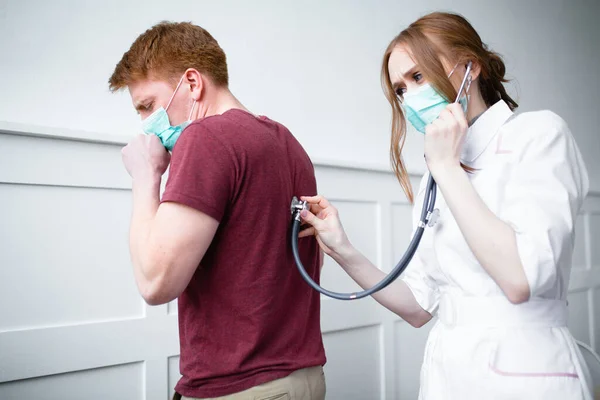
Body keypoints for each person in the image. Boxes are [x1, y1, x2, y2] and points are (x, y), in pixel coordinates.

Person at [299, 11, 592, 400]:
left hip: (528, 371)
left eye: (417, 77)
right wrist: (344, 250)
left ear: (469, 68)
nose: (409, 97)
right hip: (449, 374)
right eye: (400, 89)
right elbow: (419, 307)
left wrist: (445, 166)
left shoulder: (538, 135)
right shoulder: (438, 174)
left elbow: (521, 279)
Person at [108, 21, 326, 400]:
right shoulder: (290, 145)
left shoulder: (205, 137)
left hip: (242, 388)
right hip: (303, 380)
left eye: (148, 106)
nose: (145, 125)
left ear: (192, 83)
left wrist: (146, 176)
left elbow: (155, 283)